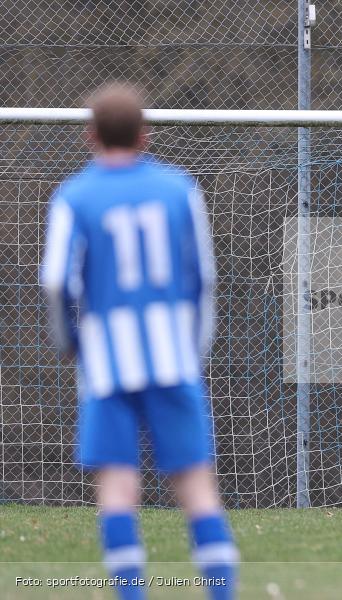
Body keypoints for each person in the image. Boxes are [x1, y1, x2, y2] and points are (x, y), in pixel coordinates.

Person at [40, 83, 238, 600]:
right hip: (173, 361)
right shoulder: (179, 188)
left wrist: (70, 341)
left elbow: (57, 281)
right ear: (145, 135)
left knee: (118, 491)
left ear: (90, 136)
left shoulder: (74, 195)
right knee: (197, 491)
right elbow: (204, 276)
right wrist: (193, 347)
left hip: (107, 366)